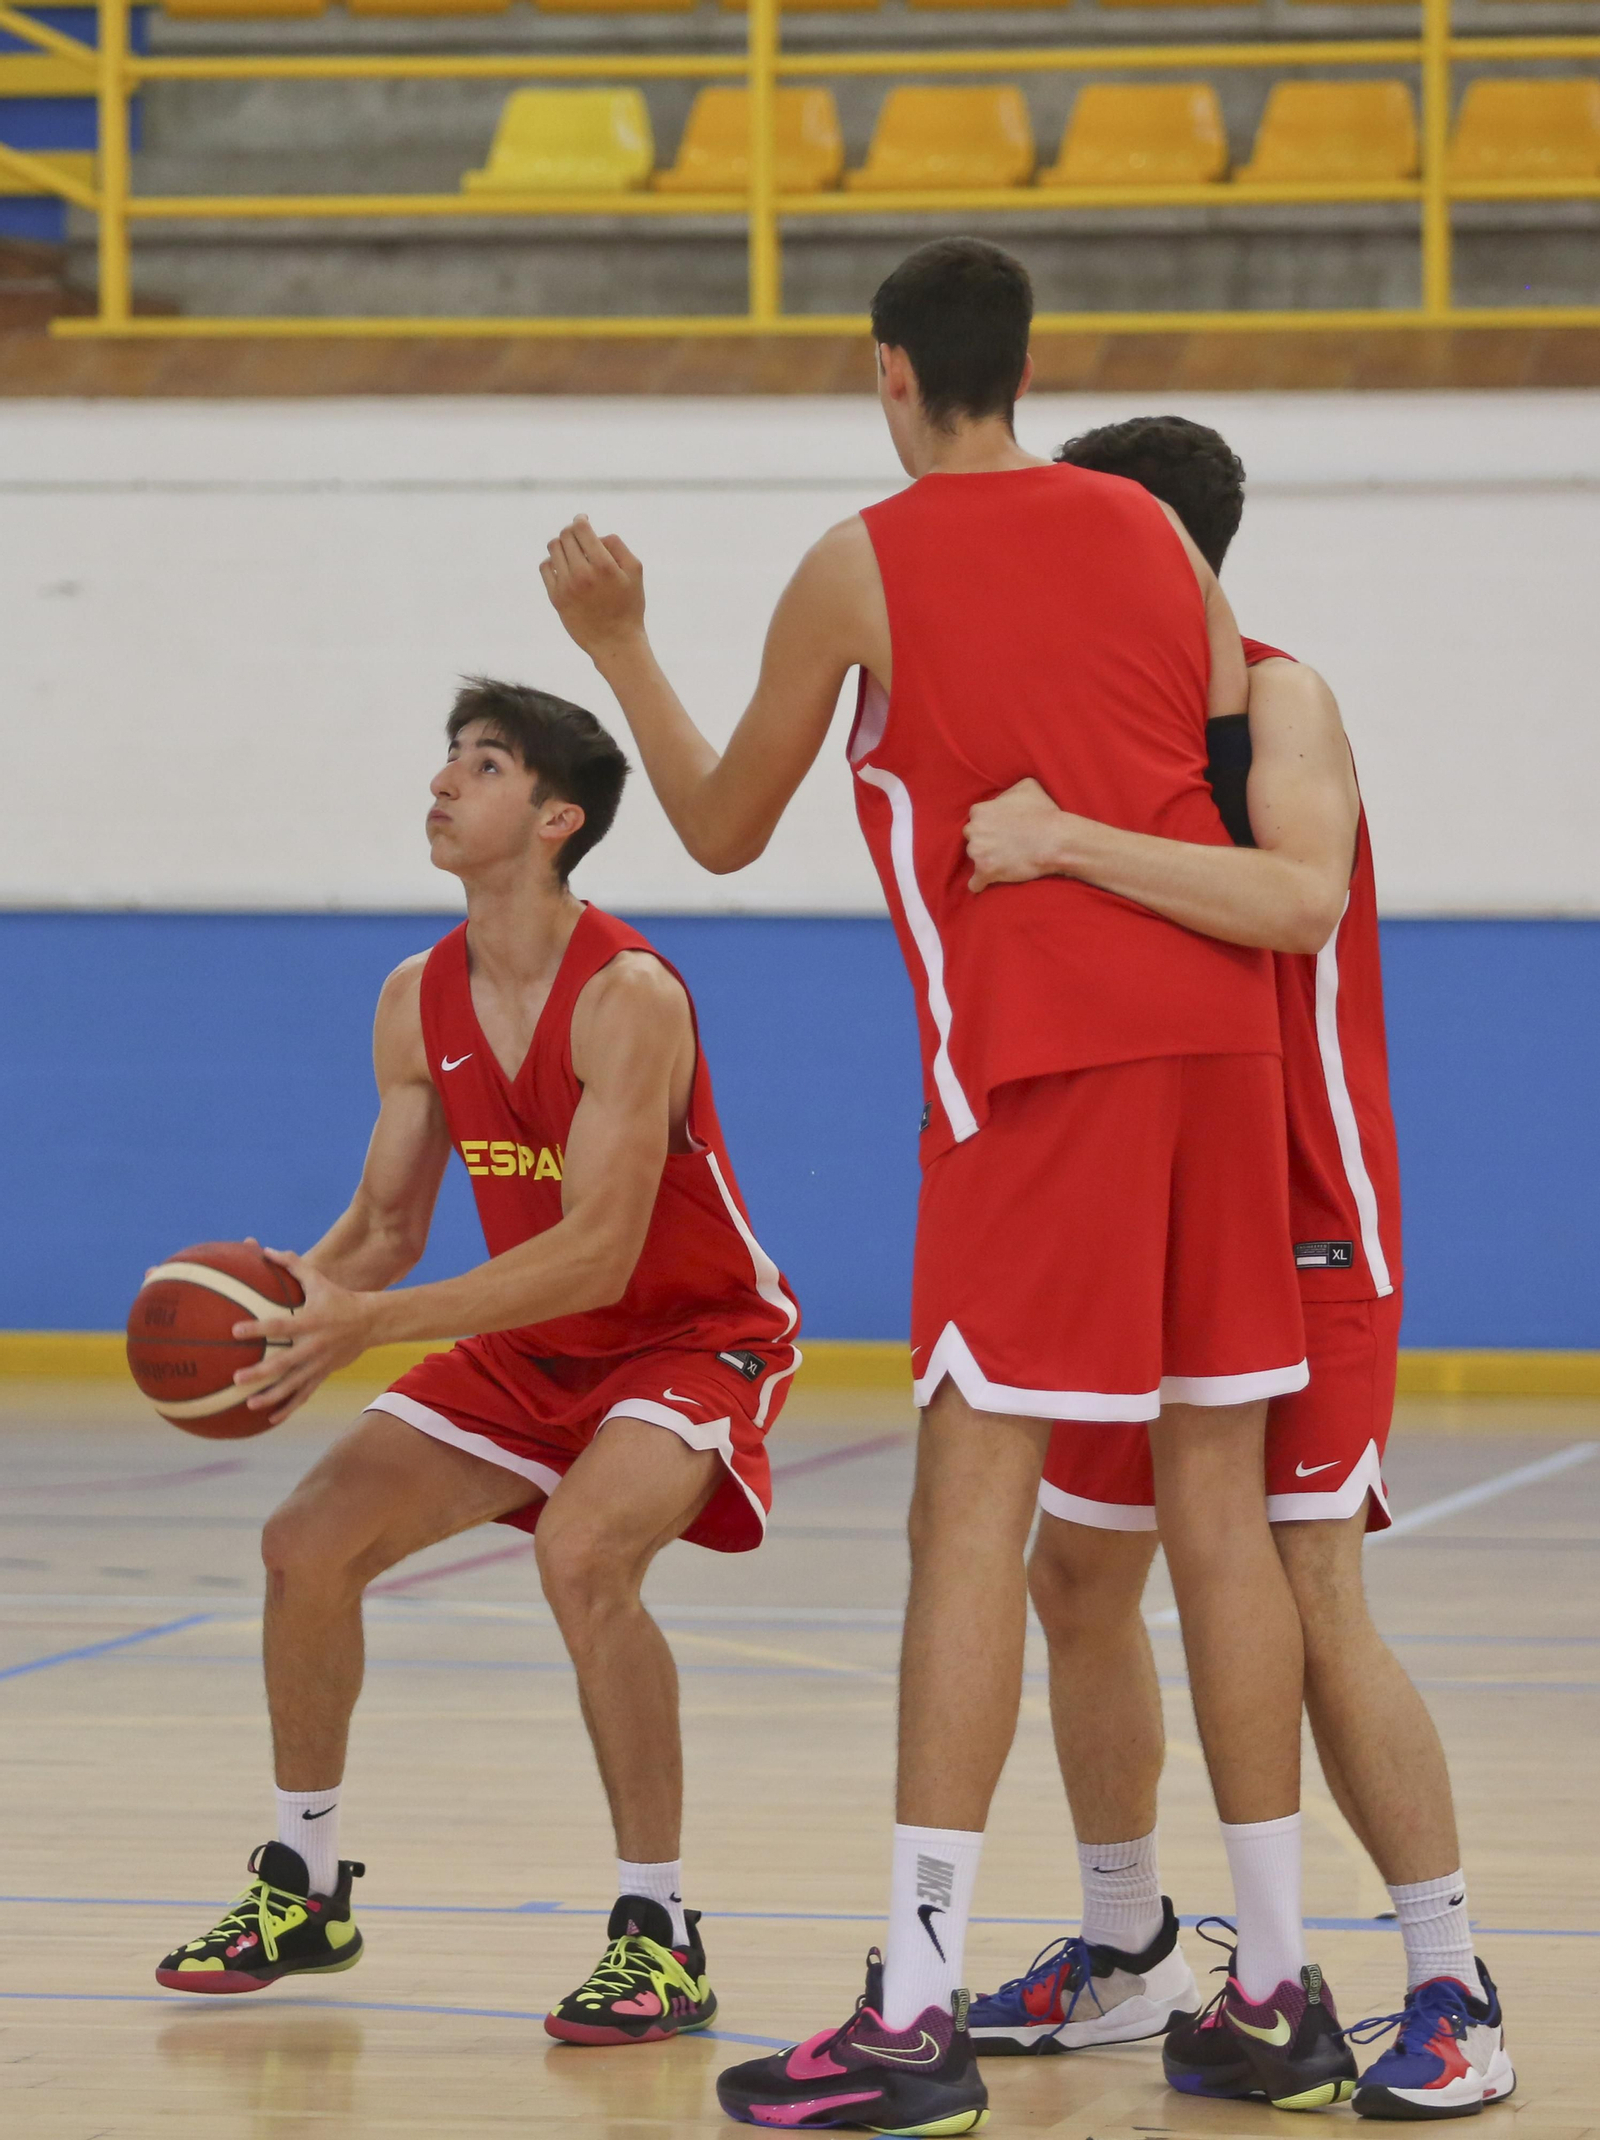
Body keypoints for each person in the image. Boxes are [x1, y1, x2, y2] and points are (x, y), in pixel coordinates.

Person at [542, 239, 1351, 2132]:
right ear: (1028, 367)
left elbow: (727, 830)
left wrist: (620, 648)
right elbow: (1221, 755)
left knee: (964, 1518)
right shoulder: (1159, 542)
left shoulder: (864, 557)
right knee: (1213, 1506)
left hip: (1041, 1067)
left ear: (893, 374)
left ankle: (913, 2009)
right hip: (1225, 1048)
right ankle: (1285, 1988)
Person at [961, 415, 1513, 2121]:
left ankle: (1450, 1981)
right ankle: (1130, 1947)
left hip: (1300, 1217)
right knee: (1074, 1575)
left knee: (1306, 1591)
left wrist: (1060, 843)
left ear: (1157, 549)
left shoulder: (1279, 697)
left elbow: (1292, 895)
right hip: (1146, 1211)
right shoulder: (1100, 719)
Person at [152, 679, 800, 2048]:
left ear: (557, 819)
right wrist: (293, 1315)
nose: (446, 782)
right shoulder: (415, 996)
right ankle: (303, 1885)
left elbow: (601, 1255)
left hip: (687, 1336)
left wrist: (369, 1326)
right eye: (447, 759)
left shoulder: (628, 995)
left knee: (581, 1556)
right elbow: (386, 1228)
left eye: (486, 764)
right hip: (526, 1344)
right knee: (304, 1545)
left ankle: (659, 1930)